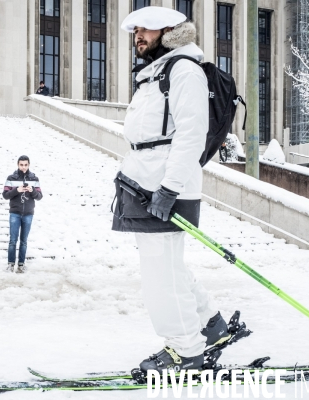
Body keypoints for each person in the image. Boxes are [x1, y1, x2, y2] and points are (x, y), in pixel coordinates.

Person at [112, 7, 232, 375]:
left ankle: (186, 350)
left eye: (144, 29)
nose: (138, 36)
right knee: (167, 266)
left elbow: (191, 134)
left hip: (164, 186)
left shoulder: (183, 70)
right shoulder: (156, 73)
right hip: (144, 182)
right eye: (135, 31)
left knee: (159, 275)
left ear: (167, 30)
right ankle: (209, 325)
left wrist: (169, 188)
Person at [2, 156, 43, 273]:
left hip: (28, 214)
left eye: (25, 165)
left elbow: (39, 196)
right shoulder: (11, 178)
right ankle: (10, 264)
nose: (23, 167)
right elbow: (5, 195)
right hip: (15, 213)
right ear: (18, 165)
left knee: (24, 241)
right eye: (21, 165)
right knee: (13, 240)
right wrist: (17, 190)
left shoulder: (34, 179)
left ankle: (21, 264)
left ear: (29, 165)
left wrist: (32, 191)